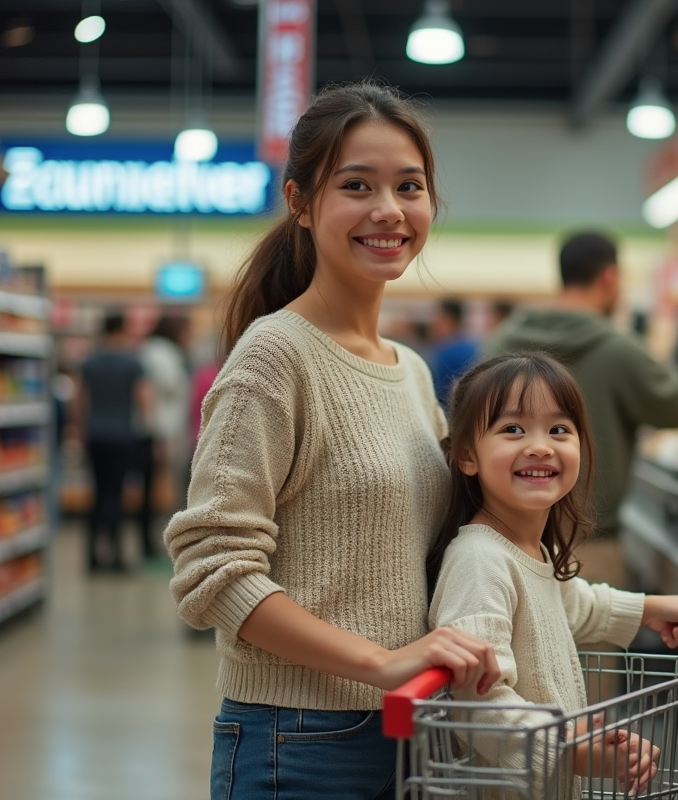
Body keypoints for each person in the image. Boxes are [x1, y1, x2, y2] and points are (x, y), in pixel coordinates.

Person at [163, 81, 498, 800]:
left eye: (409, 186)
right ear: (301, 203)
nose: (388, 210)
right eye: (357, 185)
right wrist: (378, 661)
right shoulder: (274, 357)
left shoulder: (407, 369)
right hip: (300, 739)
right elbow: (212, 569)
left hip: (410, 726)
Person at [427, 354, 678, 794]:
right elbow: (478, 699)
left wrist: (649, 609)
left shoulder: (529, 549)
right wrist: (571, 748)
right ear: (467, 455)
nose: (541, 445)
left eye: (559, 430)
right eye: (512, 429)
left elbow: (571, 604)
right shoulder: (480, 560)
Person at [485, 232, 678, 588]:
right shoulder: (617, 348)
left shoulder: (501, 342)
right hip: (590, 548)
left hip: (503, 543)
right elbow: (676, 405)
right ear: (610, 277)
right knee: (592, 639)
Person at [77, 311, 151, 572]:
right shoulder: (132, 363)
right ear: (121, 330)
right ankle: (117, 556)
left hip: (95, 435)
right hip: (122, 435)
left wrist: (79, 431)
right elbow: (144, 399)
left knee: (97, 493)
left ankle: (92, 556)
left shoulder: (89, 362)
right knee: (116, 494)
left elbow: (80, 401)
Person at [136, 315, 191, 559]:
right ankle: (155, 541)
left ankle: (156, 540)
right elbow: (170, 387)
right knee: (159, 487)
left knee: (156, 487)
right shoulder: (162, 353)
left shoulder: (152, 351)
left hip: (161, 428)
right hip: (162, 430)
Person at [429, 298, 478, 406]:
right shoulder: (472, 347)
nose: (433, 323)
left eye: (437, 317)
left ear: (448, 318)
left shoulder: (445, 351)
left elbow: (438, 392)